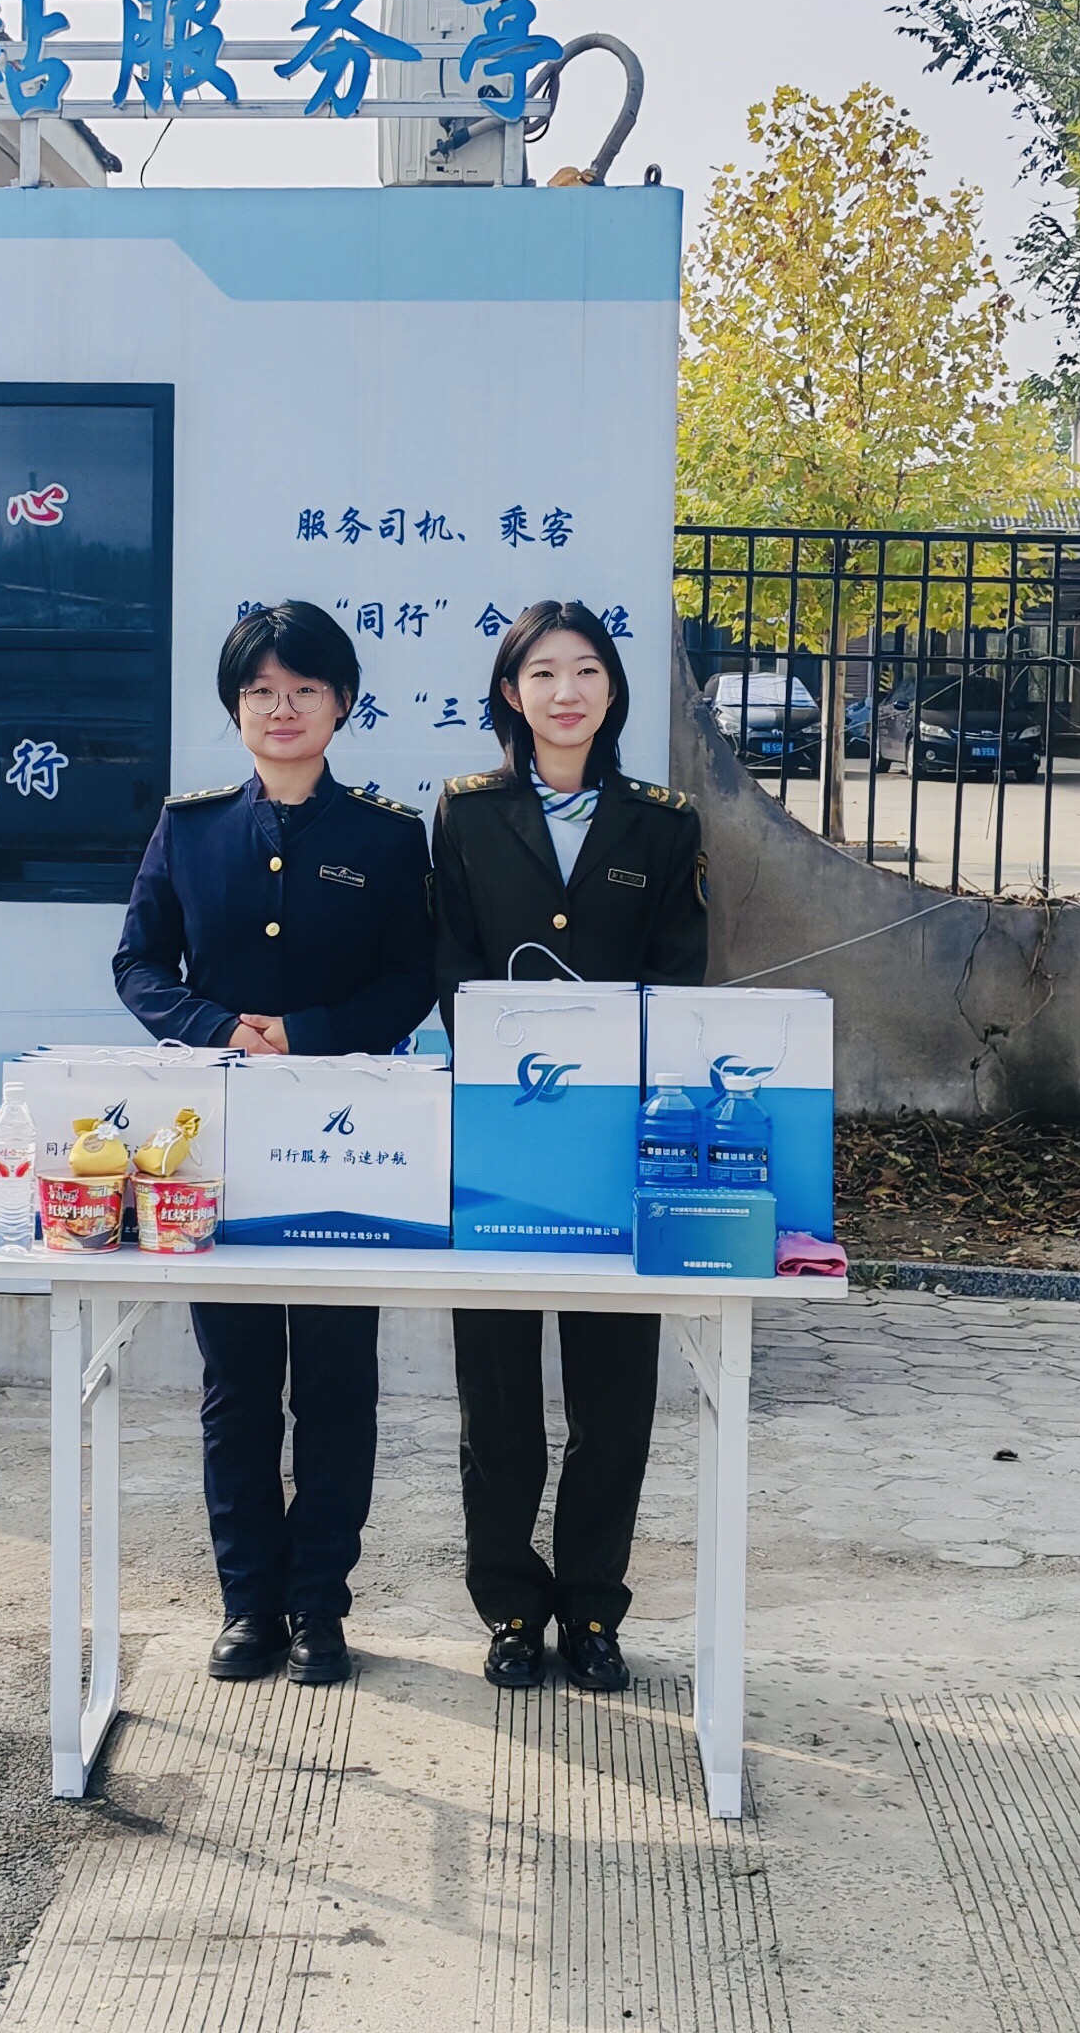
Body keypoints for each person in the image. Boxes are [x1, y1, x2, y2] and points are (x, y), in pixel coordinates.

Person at [114, 601, 434, 1687]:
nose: (281, 709)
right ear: (236, 708)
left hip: (348, 1148)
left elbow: (411, 975)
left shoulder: (387, 837)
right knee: (237, 1385)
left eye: (303, 690)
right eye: (259, 692)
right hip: (221, 1144)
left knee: (337, 1384)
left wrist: (311, 1032)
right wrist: (216, 1029)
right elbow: (138, 963)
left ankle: (320, 1608)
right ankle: (248, 1605)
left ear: (341, 704)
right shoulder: (192, 827)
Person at [431, 600, 706, 1692]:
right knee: (496, 1394)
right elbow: (450, 963)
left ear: (612, 689)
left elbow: (678, 976)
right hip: (501, 1139)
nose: (565, 692)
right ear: (511, 692)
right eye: (542, 672)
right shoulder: (465, 813)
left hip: (614, 1141)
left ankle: (593, 1607)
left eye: (586, 670)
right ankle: (509, 1605)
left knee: (614, 1395)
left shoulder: (662, 823)